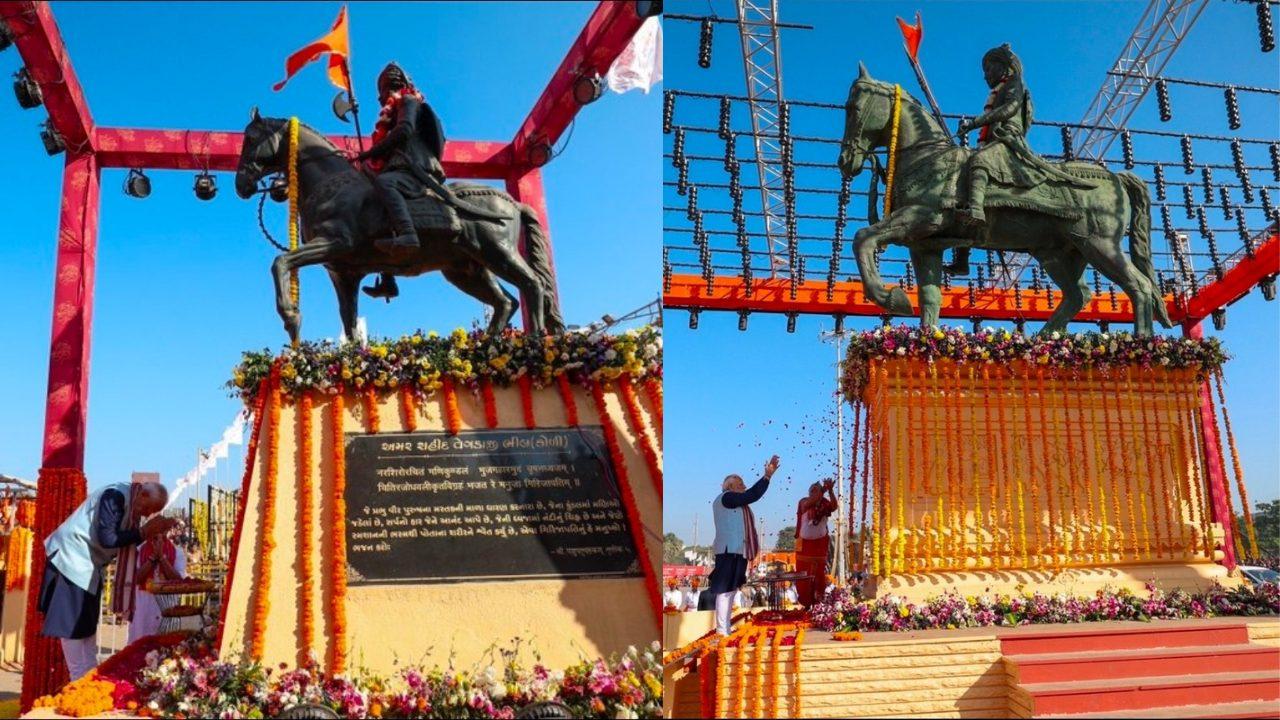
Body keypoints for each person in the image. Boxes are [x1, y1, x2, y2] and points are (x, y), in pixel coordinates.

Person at [355, 62, 505, 301]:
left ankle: (408, 235)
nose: (381, 97)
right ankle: (387, 279)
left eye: (383, 91)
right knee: (373, 203)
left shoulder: (409, 102)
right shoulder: (392, 112)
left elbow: (404, 130)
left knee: (385, 185)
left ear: (395, 87)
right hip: (400, 166)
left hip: (414, 168)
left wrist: (370, 153)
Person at [951, 44, 1093, 274]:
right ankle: (962, 256)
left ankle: (976, 210)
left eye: (989, 68)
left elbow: (1009, 110)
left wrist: (976, 122)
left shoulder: (1015, 85)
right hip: (991, 142)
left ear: (1003, 67)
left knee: (980, 162)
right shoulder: (997, 90)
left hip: (1007, 141)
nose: (985, 74)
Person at [38, 481, 176, 681]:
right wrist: (144, 532)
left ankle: (89, 681)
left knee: (86, 628)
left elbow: (124, 541)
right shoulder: (115, 496)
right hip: (71, 560)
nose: (146, 515)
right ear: (143, 494)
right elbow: (108, 539)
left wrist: (148, 532)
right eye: (147, 508)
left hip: (89, 567)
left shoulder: (131, 505)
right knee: (73, 627)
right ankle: (78, 681)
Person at [707, 454, 780, 635]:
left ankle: (725, 628)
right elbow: (752, 495)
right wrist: (767, 477)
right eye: (741, 484)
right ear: (730, 486)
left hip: (739, 551)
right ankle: (721, 631)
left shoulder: (737, 503)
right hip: (728, 550)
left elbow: (749, 495)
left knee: (732, 590)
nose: (744, 487)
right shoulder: (727, 497)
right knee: (724, 590)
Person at [126, 526, 187, 644]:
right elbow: (136, 579)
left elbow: (178, 579)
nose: (158, 541)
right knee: (140, 644)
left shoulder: (177, 552)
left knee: (165, 646)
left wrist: (163, 559)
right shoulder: (139, 550)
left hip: (167, 605)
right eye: (155, 538)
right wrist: (153, 558)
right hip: (143, 606)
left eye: (160, 537)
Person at [794, 479, 838, 606]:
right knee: (803, 577)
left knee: (819, 576)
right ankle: (806, 603)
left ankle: (819, 604)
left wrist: (830, 491)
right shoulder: (803, 501)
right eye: (812, 490)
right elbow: (809, 504)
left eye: (816, 490)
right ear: (809, 493)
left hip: (820, 546)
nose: (814, 492)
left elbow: (834, 506)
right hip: (804, 547)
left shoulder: (824, 502)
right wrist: (822, 490)